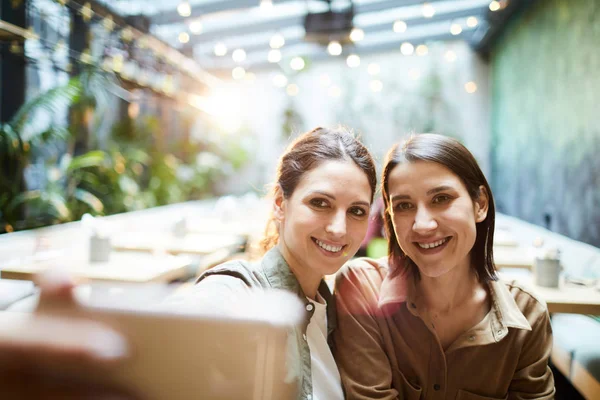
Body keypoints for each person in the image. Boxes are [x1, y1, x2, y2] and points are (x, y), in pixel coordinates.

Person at [0, 126, 377, 400]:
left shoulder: (337, 310)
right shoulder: (236, 294)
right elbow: (195, 321)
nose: (339, 228)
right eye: (320, 203)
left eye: (356, 211)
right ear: (280, 204)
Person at [333, 133, 555, 400]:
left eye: (441, 199)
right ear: (390, 217)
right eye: (404, 206)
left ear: (480, 204)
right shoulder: (362, 289)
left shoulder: (527, 315)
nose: (423, 224)